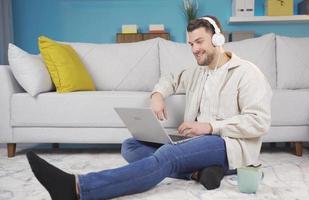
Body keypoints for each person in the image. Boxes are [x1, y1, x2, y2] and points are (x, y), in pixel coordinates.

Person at [26, 16, 272, 200]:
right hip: (195, 142)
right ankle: (199, 173)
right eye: (191, 44)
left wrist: (209, 126)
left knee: (166, 156)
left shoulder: (246, 73)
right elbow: (170, 79)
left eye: (200, 41)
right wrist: (157, 96)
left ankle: (79, 188)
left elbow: (259, 121)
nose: (195, 49)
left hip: (225, 143)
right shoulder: (198, 72)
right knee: (130, 145)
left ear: (218, 39)